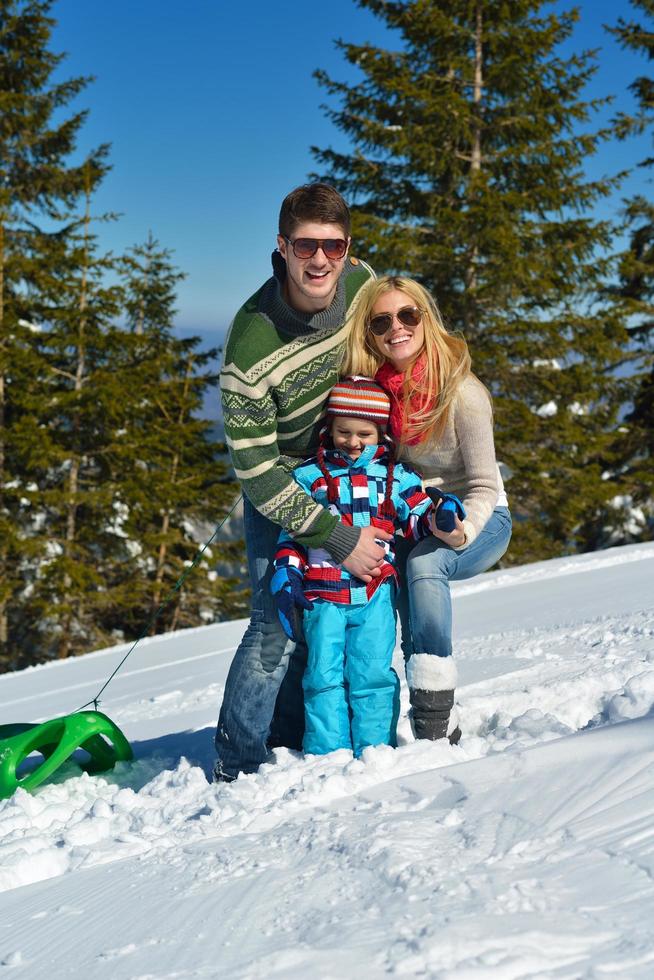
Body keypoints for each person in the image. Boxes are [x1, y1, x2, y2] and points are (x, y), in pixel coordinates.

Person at [215, 183, 387, 781]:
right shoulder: (251, 345)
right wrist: (337, 537)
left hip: (348, 470)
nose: (321, 261)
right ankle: (237, 762)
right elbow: (258, 473)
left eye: (333, 247)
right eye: (306, 246)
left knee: (331, 614)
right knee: (277, 621)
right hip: (286, 485)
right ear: (282, 247)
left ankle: (289, 731)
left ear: (348, 249)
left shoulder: (362, 282)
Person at [342, 276, 512, 743]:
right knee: (396, 584)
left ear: (425, 318)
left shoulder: (462, 393)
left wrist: (461, 531)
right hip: (415, 516)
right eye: (381, 321)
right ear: (370, 334)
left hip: (480, 517)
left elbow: (482, 485)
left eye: (407, 315)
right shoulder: (376, 395)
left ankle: (434, 721)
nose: (396, 327)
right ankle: (404, 710)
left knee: (425, 564)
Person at [270, 377, 435, 757]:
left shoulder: (395, 478)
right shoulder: (309, 477)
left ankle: (375, 748)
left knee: (372, 672)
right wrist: (287, 571)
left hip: (374, 593)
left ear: (380, 435)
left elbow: (417, 516)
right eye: (344, 431)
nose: (354, 441)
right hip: (321, 595)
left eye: (365, 433)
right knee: (322, 675)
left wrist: (440, 514)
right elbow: (294, 533)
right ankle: (329, 752)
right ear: (330, 430)